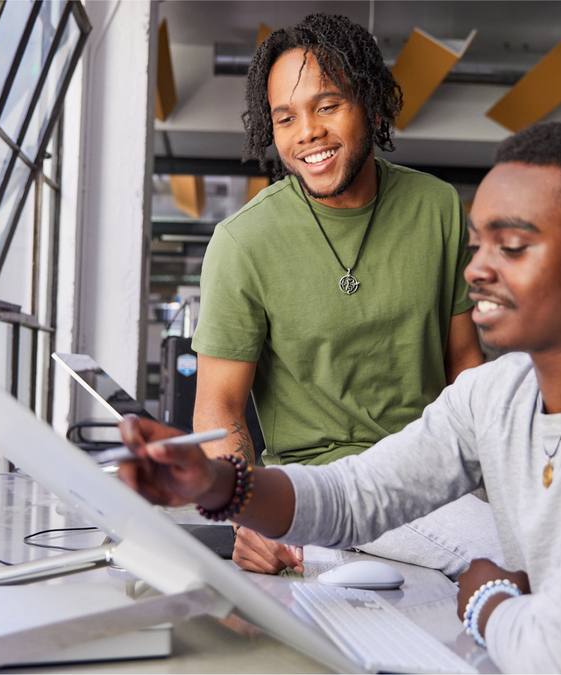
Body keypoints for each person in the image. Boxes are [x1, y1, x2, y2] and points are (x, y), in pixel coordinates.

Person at [120, 121, 561, 672]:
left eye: (512, 246)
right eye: (478, 242)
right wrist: (215, 482)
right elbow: (355, 494)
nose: (477, 269)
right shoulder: (496, 392)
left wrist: (483, 595)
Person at [191, 13, 488, 575]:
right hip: (316, 485)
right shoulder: (243, 241)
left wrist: (505, 480)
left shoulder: (437, 206)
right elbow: (219, 406)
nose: (307, 132)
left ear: (372, 106)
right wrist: (246, 513)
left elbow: (466, 367)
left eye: (327, 106)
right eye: (286, 118)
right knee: (517, 557)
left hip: (432, 473)